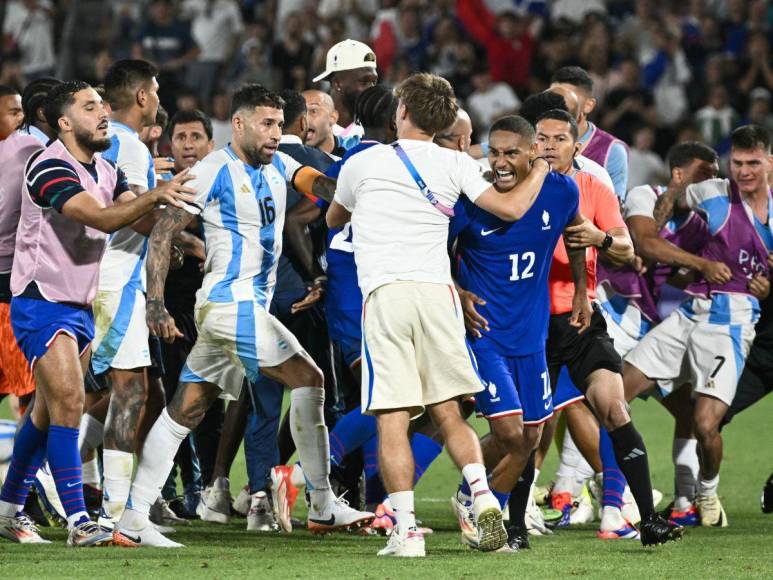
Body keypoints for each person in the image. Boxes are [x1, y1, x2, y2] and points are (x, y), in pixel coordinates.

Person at [113, 83, 372, 548]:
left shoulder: (280, 163)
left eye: (279, 124)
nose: (277, 132)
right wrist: (155, 303)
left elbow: (315, 185)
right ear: (239, 124)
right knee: (310, 379)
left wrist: (352, 190)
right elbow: (162, 232)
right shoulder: (212, 171)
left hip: (235, 311)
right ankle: (321, 502)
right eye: (267, 124)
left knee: (184, 411)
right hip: (230, 305)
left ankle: (131, 519)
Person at [326, 72, 555, 557]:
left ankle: (405, 531)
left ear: (401, 111)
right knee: (450, 412)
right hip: (438, 296)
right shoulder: (457, 164)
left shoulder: (364, 162)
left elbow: (334, 219)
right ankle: (483, 496)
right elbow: (510, 210)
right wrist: (538, 170)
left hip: (386, 296)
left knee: (392, 418)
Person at [0, 80, 194, 546]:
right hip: (41, 301)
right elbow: (103, 219)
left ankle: (8, 509)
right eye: (90, 108)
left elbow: (136, 215)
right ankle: (79, 521)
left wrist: (178, 231)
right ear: (65, 123)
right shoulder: (47, 167)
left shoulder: (107, 170)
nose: (103, 113)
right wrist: (158, 193)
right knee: (69, 402)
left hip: (82, 306)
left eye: (104, 106)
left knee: (46, 414)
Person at [533, 108, 683, 545]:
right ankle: (499, 506)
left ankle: (646, 518)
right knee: (528, 428)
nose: (549, 146)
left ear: (576, 146)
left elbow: (623, 247)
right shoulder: (515, 192)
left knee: (615, 409)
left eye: (559, 139)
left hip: (581, 323)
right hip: (531, 325)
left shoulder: (593, 187)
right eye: (541, 138)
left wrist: (599, 238)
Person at [449, 115, 589, 552]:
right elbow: (434, 251)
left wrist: (583, 290)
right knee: (510, 433)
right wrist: (458, 291)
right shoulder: (472, 199)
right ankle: (481, 500)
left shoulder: (562, 191)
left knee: (532, 436)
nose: (500, 162)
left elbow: (577, 234)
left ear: (533, 153)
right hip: (485, 333)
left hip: (532, 335)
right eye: (494, 152)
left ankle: (479, 505)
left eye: (511, 153)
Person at [623, 125, 773, 528]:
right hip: (690, 312)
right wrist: (674, 191)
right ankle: (617, 492)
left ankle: (706, 490)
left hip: (733, 322)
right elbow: (665, 213)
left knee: (707, 424)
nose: (743, 171)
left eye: (753, 163)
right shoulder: (716, 192)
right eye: (737, 162)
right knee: (615, 393)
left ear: (770, 163)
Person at [598, 142, 726, 530]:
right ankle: (597, 496)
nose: (713, 183)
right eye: (705, 174)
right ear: (678, 174)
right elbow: (645, 242)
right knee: (606, 402)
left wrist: (694, 270)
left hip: (653, 324)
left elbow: (679, 274)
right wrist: (700, 262)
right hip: (617, 311)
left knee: (687, 412)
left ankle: (686, 499)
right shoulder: (644, 194)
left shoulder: (703, 224)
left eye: (716, 176)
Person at [0, 85, 40, 417]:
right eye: (13, 111)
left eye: (21, 110)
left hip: (13, 279)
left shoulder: (30, 146)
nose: (21, 117)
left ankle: (29, 466)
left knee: (27, 385)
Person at [551, 66, 629, 200]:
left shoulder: (612, 151)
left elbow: (613, 212)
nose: (559, 106)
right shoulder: (535, 141)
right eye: (554, 98)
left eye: (570, 99)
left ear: (588, 105)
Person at [312, 39, 378, 151]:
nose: (372, 89)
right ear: (337, 83)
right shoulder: (312, 130)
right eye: (364, 82)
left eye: (374, 82)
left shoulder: (375, 132)